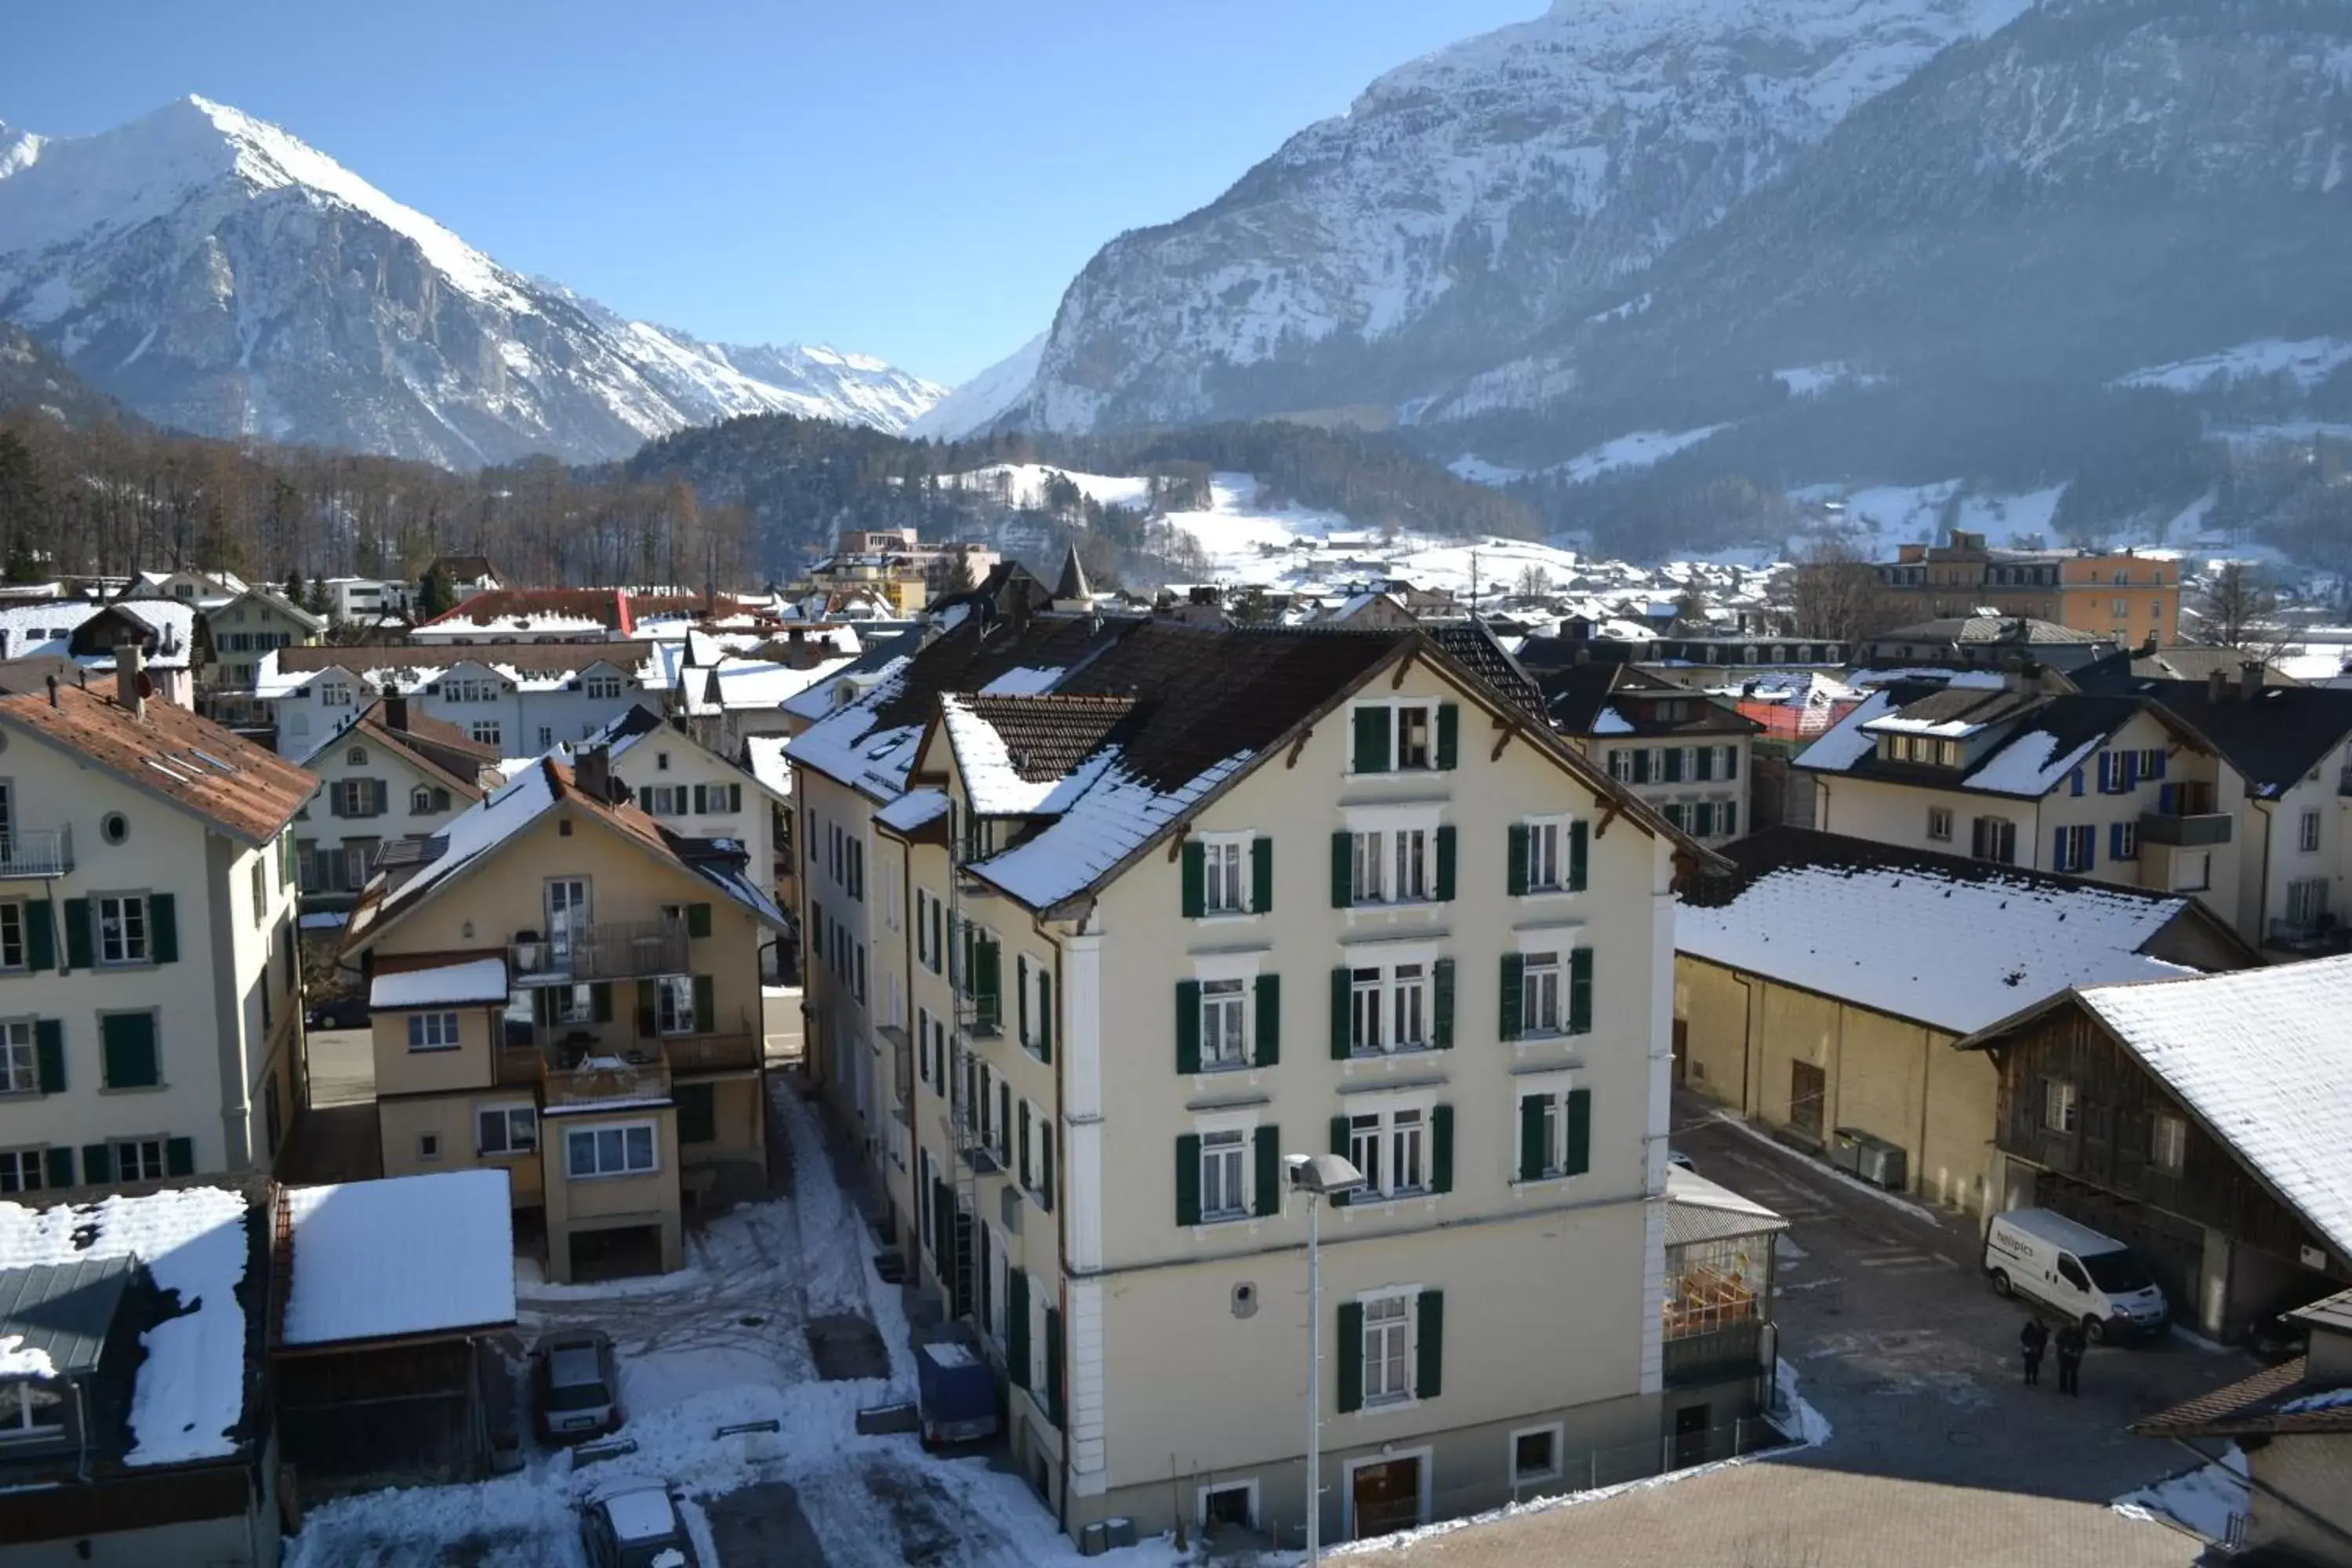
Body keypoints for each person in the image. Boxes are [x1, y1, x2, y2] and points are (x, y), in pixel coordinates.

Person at [2055, 1322, 2087, 1396]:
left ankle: (2073, 1390)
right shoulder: (2063, 1332)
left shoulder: (2080, 1334)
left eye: (2076, 1325)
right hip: (2064, 1355)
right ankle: (2063, 1388)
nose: (2074, 1327)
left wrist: (2078, 1351)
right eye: (2073, 1325)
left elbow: (2083, 1345)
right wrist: (2064, 1348)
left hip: (2074, 1356)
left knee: (2074, 1373)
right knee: (2063, 1372)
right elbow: (2058, 1340)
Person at [2019, 1317, 2049, 1386]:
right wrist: (2029, 1344)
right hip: (2029, 1350)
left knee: (2035, 1365)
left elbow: (2044, 1341)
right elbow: (2023, 1337)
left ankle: (2034, 1377)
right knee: (2028, 1364)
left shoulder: (2041, 1331)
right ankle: (2028, 1378)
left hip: (2037, 1351)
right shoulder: (2028, 1329)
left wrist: (2038, 1346)